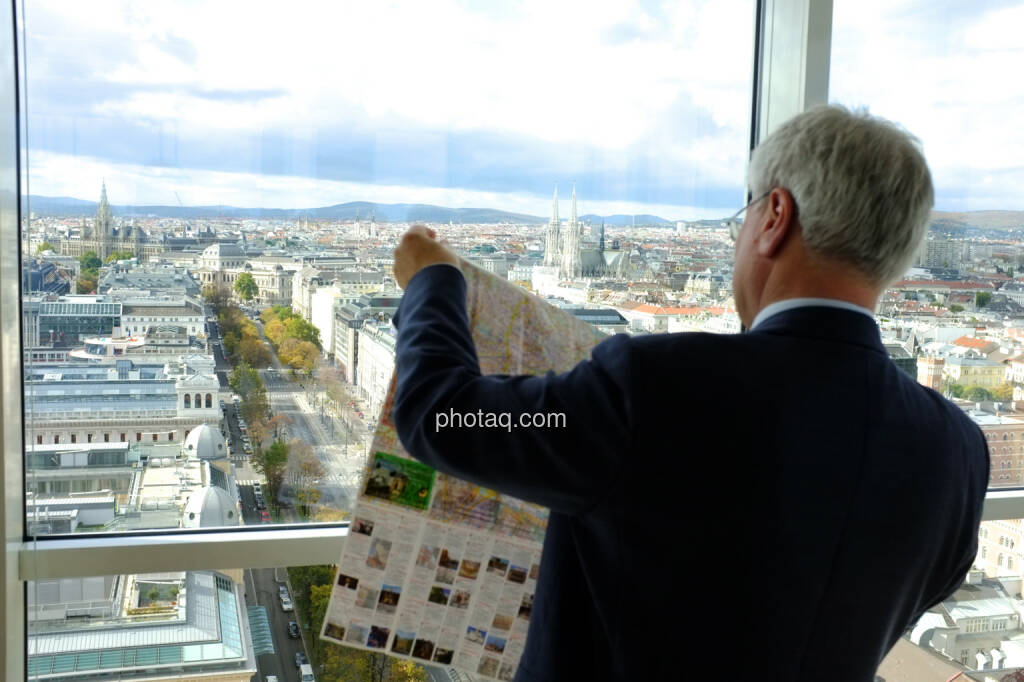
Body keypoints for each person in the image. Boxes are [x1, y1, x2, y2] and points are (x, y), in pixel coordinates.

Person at [389, 105, 989, 681]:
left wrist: (432, 281)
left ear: (776, 216)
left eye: (745, 214)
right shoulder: (956, 451)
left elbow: (448, 418)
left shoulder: (655, 387)